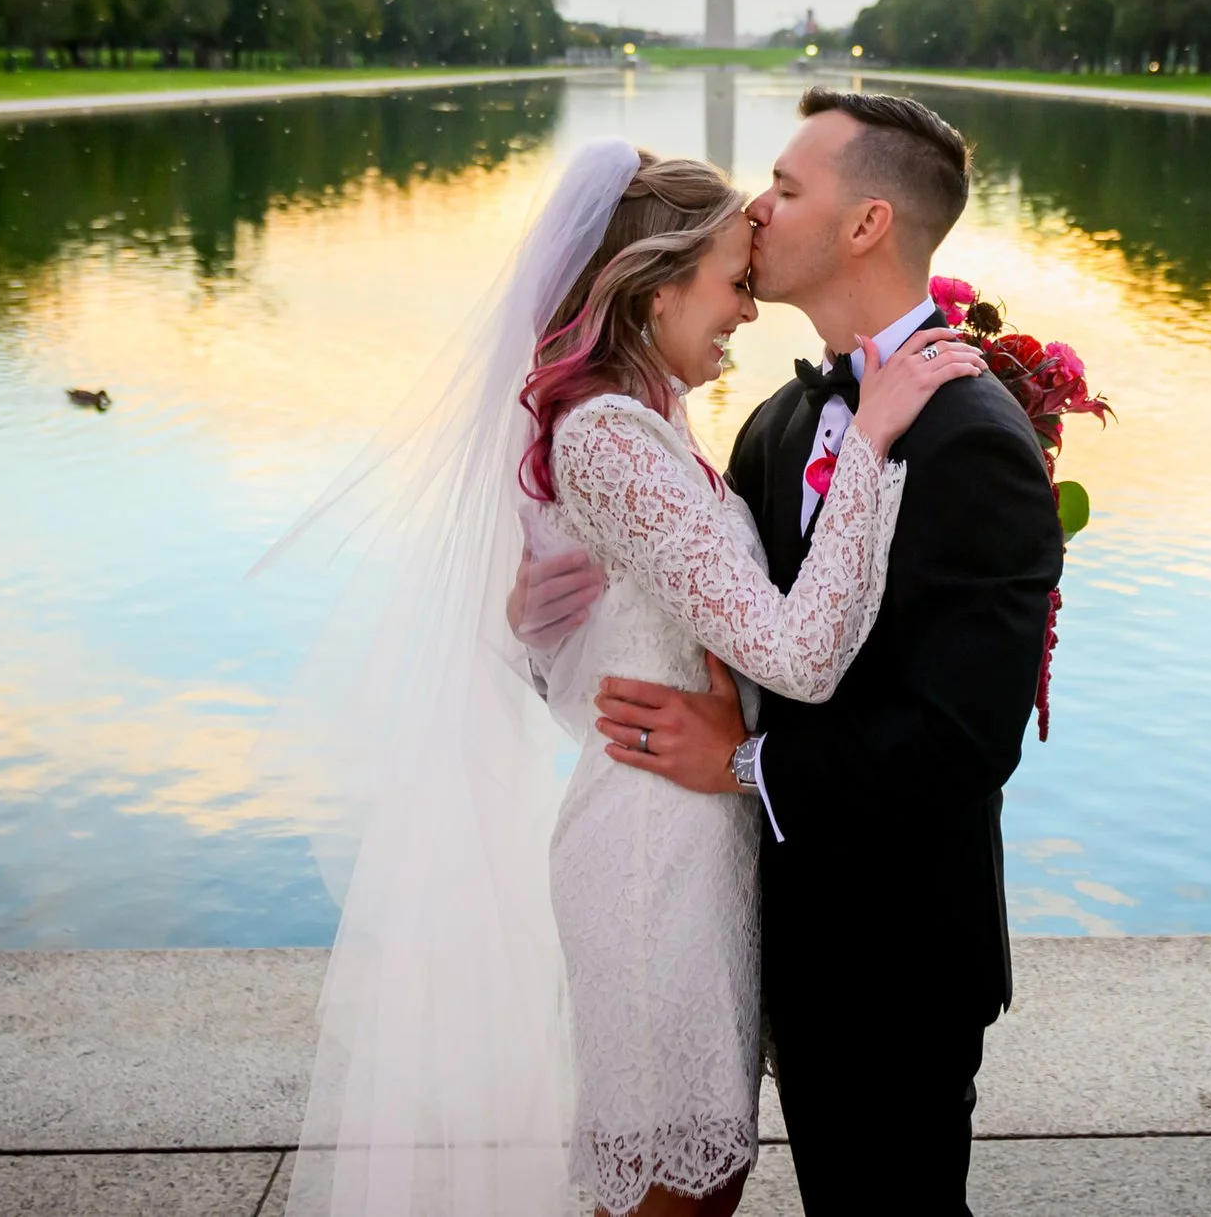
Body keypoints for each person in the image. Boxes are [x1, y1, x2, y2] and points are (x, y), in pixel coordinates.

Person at [275, 140, 985, 1217]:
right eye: (734, 283)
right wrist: (877, 439)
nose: (748, 310)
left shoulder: (649, 421)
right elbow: (794, 652)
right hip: (655, 856)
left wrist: (541, 627)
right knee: (677, 1188)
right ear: (656, 286)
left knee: (693, 1177)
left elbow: (598, 636)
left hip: (694, 838)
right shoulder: (609, 433)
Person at [516, 90, 1067, 1215]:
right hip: (766, 915)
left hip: (894, 952)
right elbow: (723, 634)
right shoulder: (771, 421)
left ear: (865, 223)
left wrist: (743, 766)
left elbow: (963, 738)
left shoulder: (973, 439)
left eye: (784, 185)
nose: (756, 209)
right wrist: (551, 615)